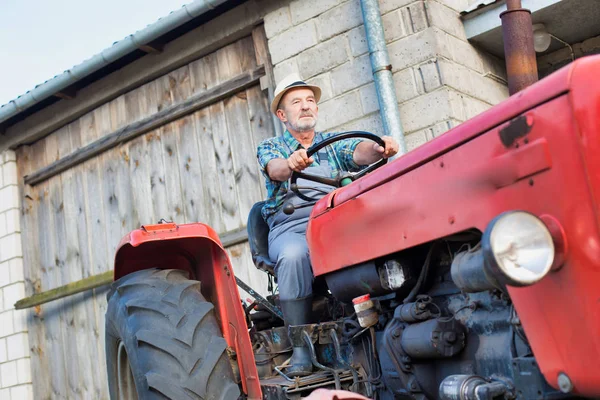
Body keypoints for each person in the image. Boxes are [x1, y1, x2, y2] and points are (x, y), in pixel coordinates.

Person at [256, 73, 399, 376]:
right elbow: (275, 168)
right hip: (292, 224)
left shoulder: (331, 144)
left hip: (334, 219)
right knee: (294, 256)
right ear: (282, 115)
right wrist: (290, 164)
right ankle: (300, 348)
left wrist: (379, 148)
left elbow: (357, 152)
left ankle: (386, 325)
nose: (305, 106)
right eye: (296, 102)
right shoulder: (272, 147)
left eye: (310, 101)